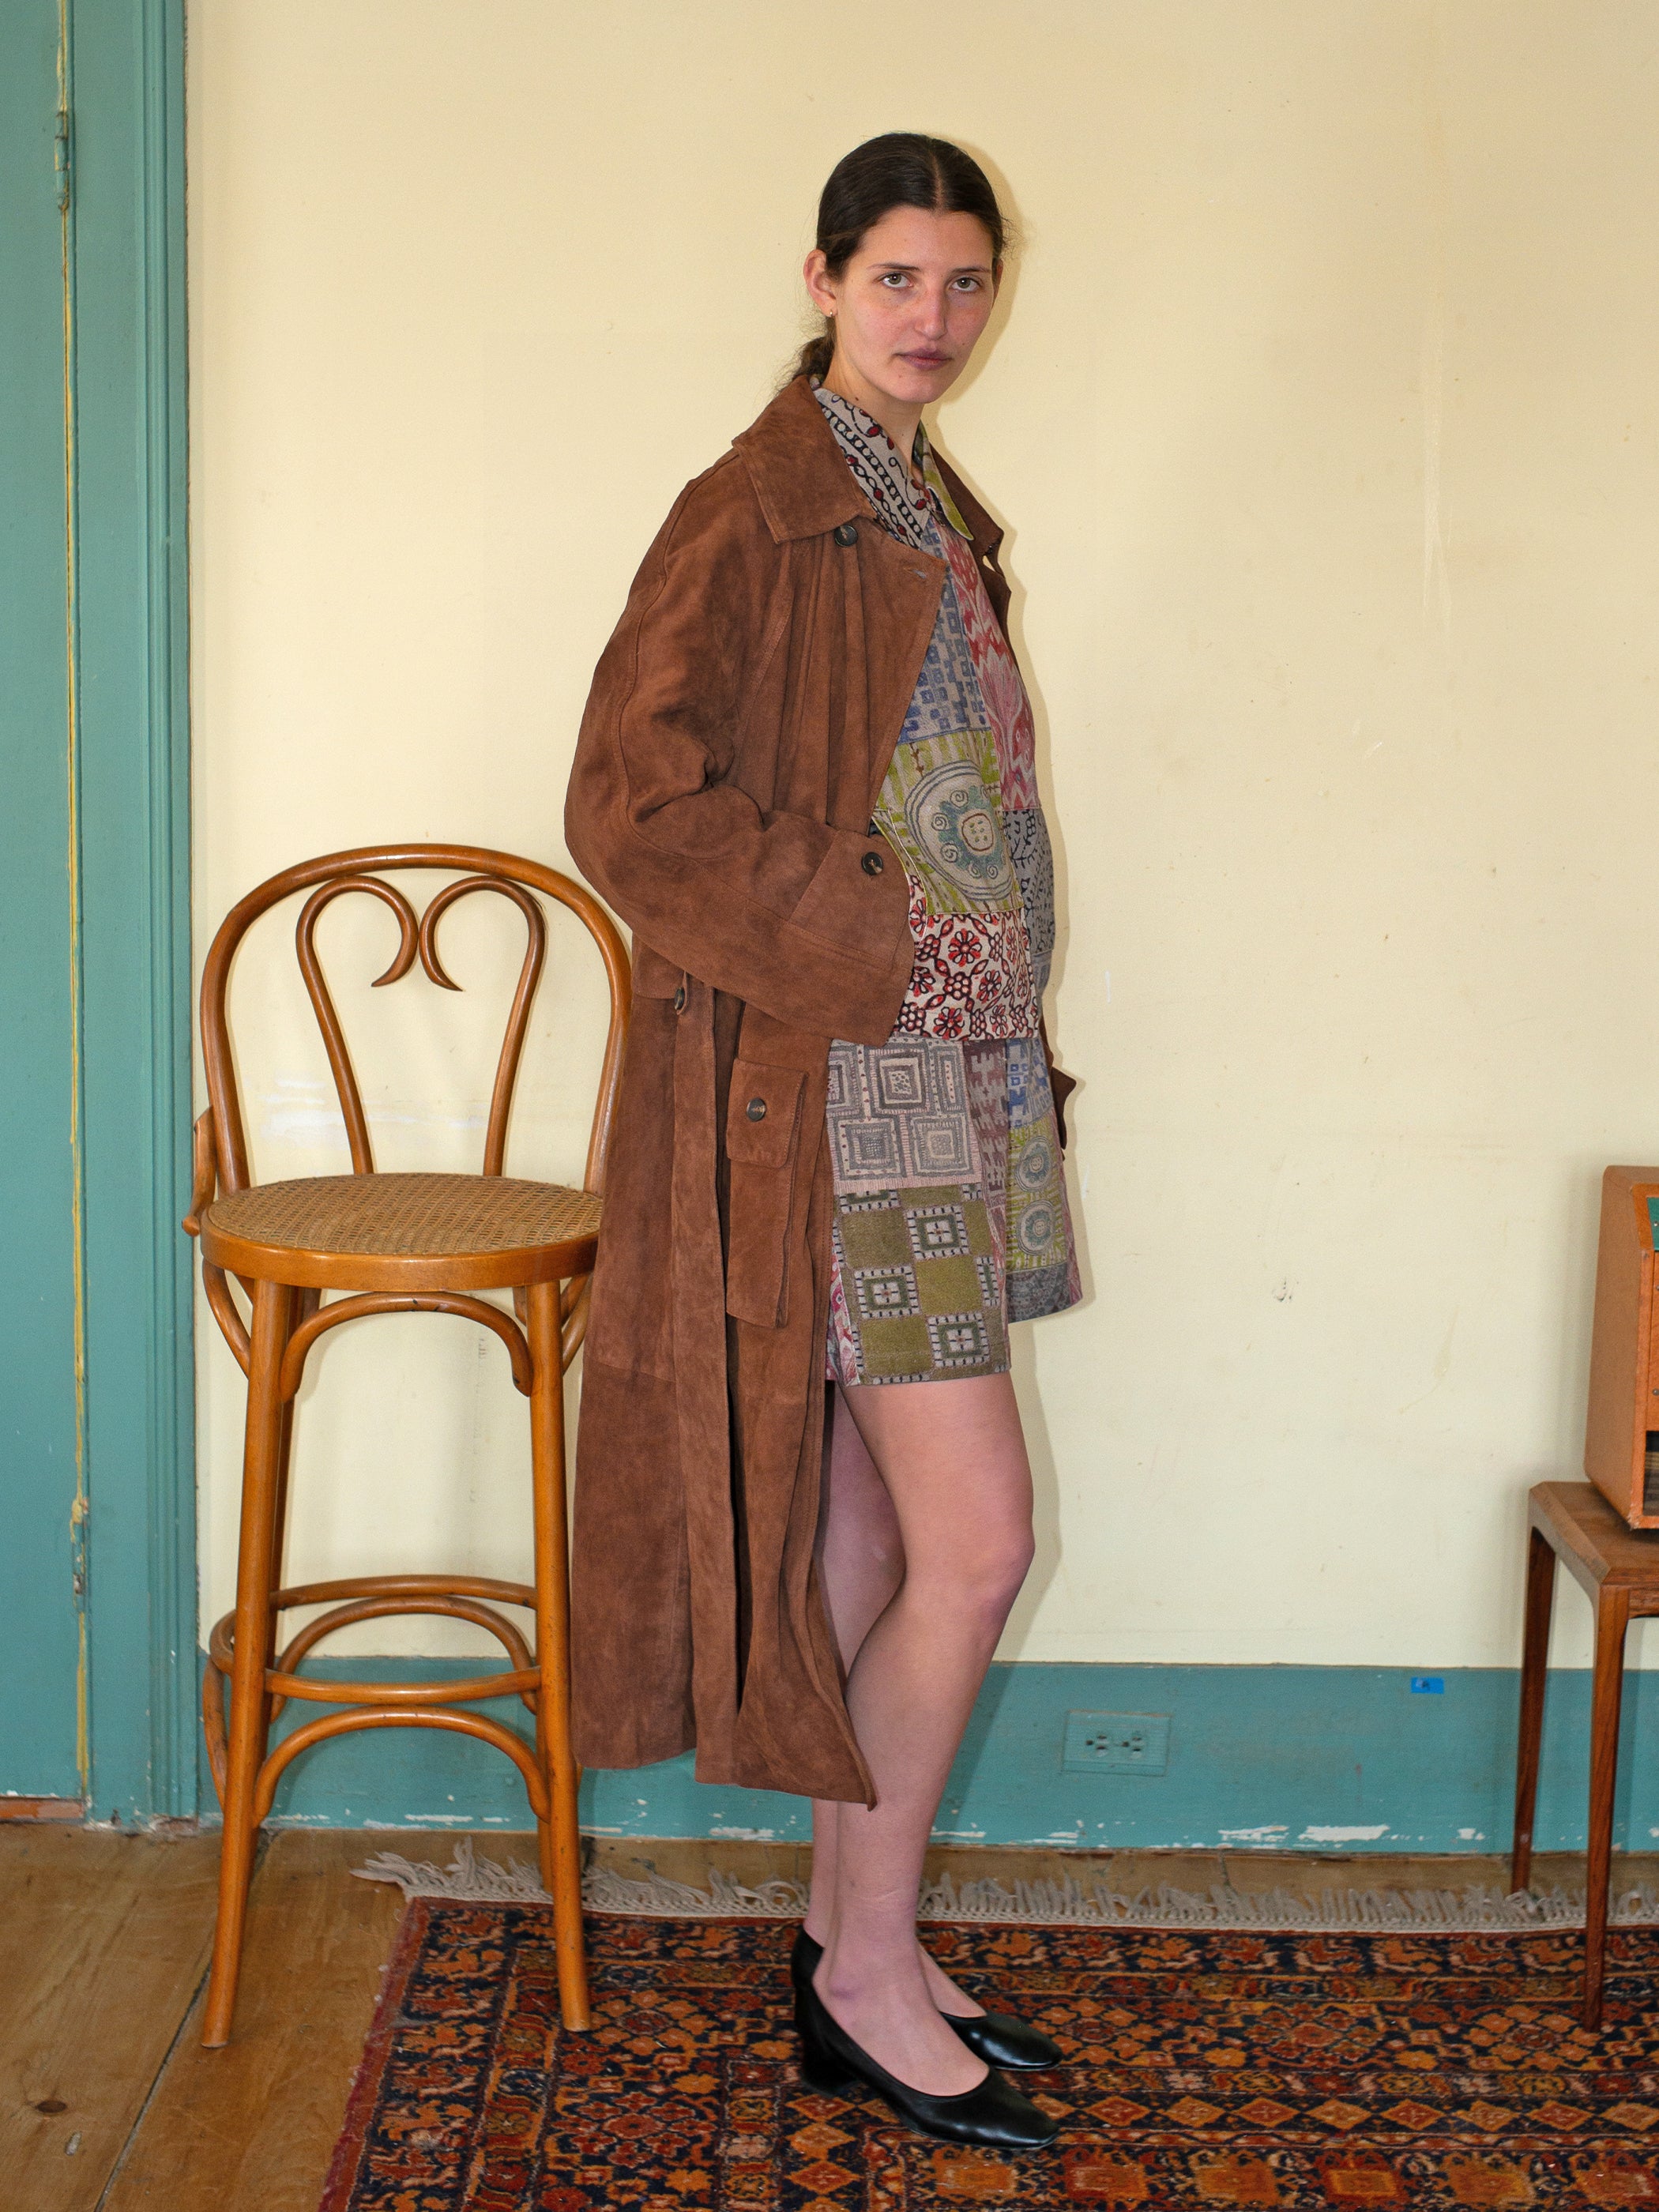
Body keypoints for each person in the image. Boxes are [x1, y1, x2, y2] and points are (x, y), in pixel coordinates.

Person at [563, 133, 1078, 2151]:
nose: (934, 319)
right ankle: (866, 1979)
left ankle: (853, 1928)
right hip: (857, 1094)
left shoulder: (928, 500)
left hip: (958, 1083)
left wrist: (992, 1003)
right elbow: (630, 805)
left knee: (875, 1534)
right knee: (980, 1540)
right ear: (825, 278)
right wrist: (880, 939)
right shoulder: (758, 502)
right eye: (897, 283)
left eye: (963, 282)